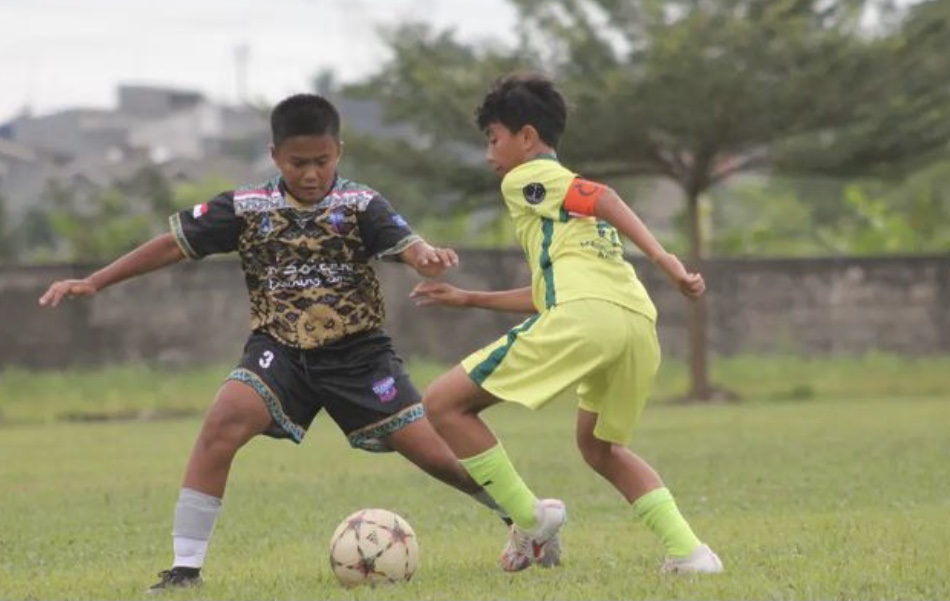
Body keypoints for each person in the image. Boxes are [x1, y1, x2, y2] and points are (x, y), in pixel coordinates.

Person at [38, 93, 511, 591]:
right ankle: (185, 570)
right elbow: (173, 245)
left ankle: (523, 517)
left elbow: (408, 244)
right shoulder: (246, 207)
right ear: (274, 155)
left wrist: (427, 257)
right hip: (279, 352)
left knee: (437, 457)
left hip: (359, 357)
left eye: (322, 162)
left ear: (339, 153)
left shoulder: (359, 204)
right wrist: (95, 281)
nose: (311, 174)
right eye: (298, 163)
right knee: (220, 425)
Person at [411, 72, 724, 574]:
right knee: (600, 446)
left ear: (527, 138)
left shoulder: (529, 179)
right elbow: (548, 292)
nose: (490, 154)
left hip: (586, 316)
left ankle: (531, 520)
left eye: (494, 139)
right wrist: (468, 297)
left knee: (443, 404)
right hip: (635, 322)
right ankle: (690, 553)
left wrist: (665, 260)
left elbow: (601, 195)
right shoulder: (559, 213)